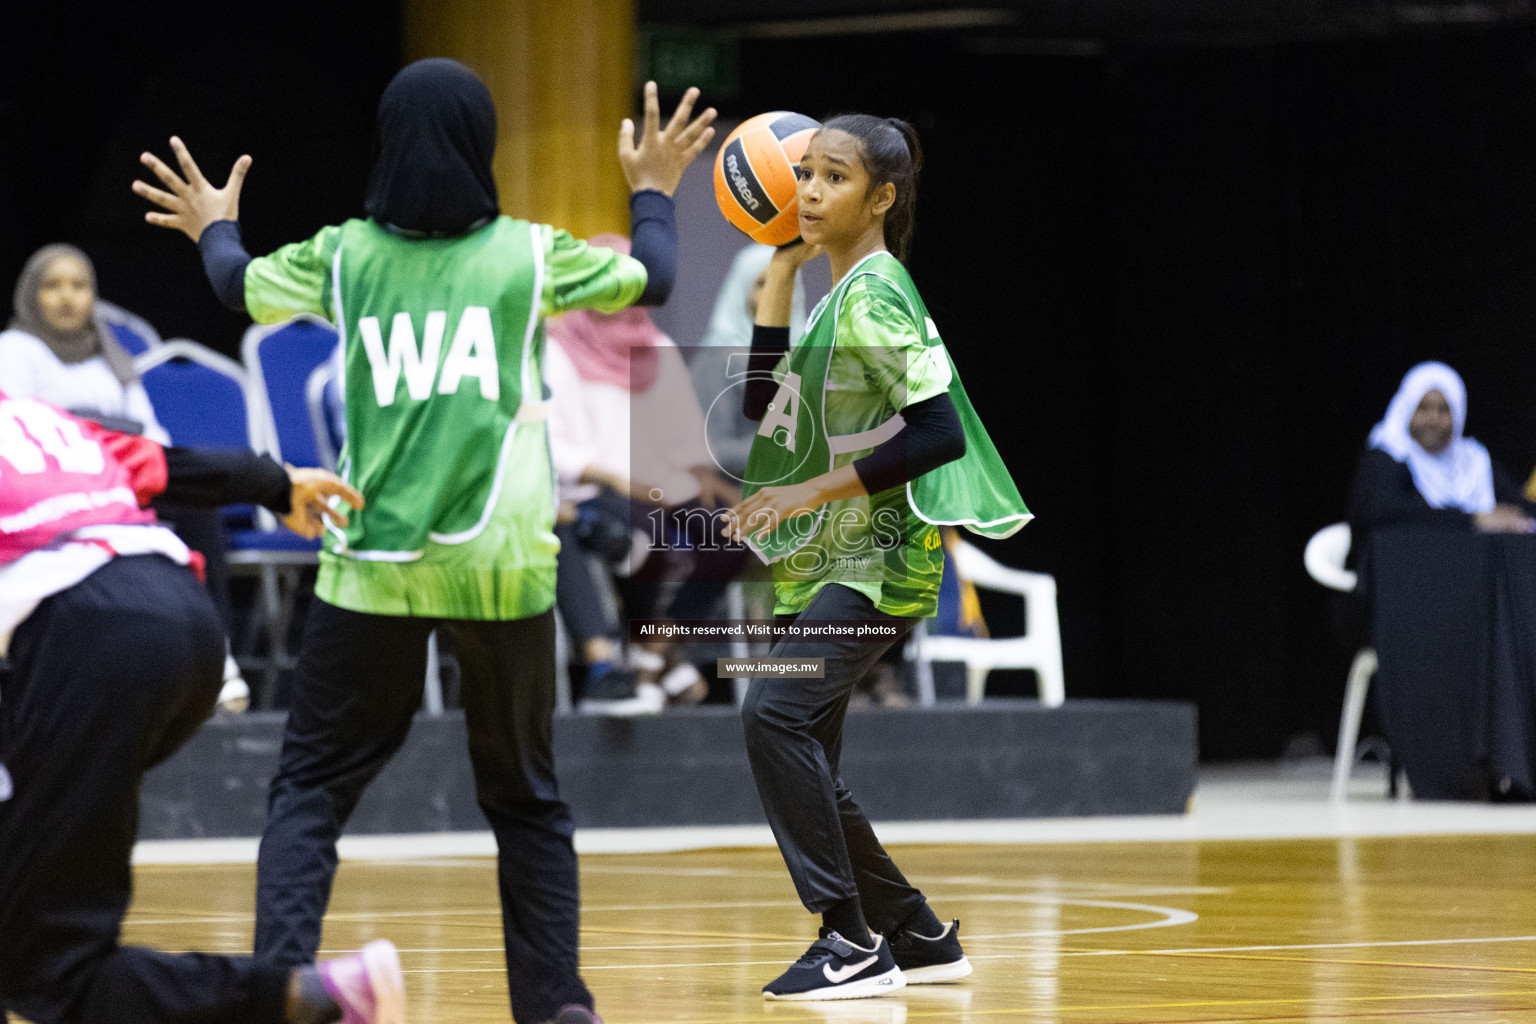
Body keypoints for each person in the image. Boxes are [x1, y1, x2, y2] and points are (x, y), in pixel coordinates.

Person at [132, 58, 714, 1024]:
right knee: (526, 800)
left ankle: (282, 986)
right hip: (505, 568)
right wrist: (652, 191)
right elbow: (653, 274)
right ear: (482, 146)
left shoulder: (346, 257)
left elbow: (237, 289)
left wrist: (215, 227)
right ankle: (557, 1006)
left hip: (375, 571)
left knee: (311, 786)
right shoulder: (531, 256)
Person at [725, 114, 1030, 1000]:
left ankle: (849, 940)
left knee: (771, 717)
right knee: (804, 752)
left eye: (832, 178)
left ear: (882, 197)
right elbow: (759, 408)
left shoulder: (876, 296)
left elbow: (935, 434)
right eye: (805, 174)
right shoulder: (835, 294)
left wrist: (807, 494)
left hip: (876, 564)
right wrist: (779, 267)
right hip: (828, 563)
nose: (809, 191)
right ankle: (919, 935)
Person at [0, 393, 403, 1024]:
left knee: (52, 970)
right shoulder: (31, 416)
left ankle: (312, 997)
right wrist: (278, 483)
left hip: (90, 640)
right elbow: (165, 465)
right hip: (182, 625)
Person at [0, 243, 250, 710]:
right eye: (53, 286)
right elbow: (17, 433)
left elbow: (151, 433)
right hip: (55, 494)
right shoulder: (14, 351)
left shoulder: (110, 355)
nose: (67, 297)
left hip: (123, 480)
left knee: (199, 509)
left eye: (79, 285)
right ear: (31, 294)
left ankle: (218, 650)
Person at [546, 234, 745, 714]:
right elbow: (558, 445)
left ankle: (656, 651)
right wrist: (627, 483)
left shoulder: (657, 345)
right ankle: (637, 661)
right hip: (593, 490)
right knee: (640, 532)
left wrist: (708, 479)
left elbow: (685, 437)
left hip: (659, 486)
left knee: (738, 535)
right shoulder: (559, 345)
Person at [1339, 361, 1536, 643]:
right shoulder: (1387, 455)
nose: (1434, 419)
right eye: (1423, 408)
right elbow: (1382, 511)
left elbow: (1519, 506)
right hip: (1393, 603)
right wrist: (1472, 520)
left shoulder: (1473, 461)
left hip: (1468, 600)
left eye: (1445, 410)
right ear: (1406, 408)